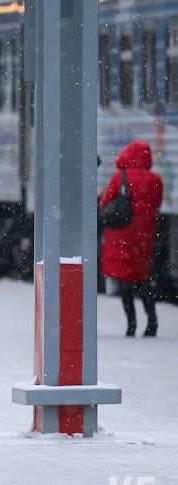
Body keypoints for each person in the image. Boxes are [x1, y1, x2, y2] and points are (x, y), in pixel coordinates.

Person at [100, 140, 164, 337]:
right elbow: (156, 206)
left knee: (124, 280)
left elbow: (106, 203)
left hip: (122, 234)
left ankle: (131, 324)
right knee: (142, 279)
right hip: (144, 236)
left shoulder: (121, 177)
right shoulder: (156, 180)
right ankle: (152, 320)